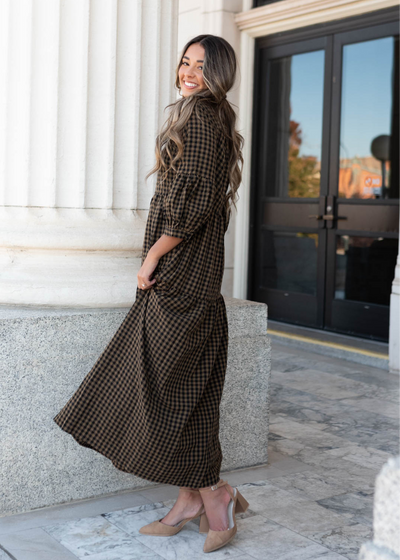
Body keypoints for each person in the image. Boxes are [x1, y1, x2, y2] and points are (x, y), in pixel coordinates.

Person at [53, 34, 246, 554]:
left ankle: (214, 494)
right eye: (185, 62)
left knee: (165, 394)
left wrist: (153, 256)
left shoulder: (203, 118)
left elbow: (197, 203)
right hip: (184, 281)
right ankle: (192, 498)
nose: (188, 71)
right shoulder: (201, 115)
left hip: (180, 280)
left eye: (201, 65)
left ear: (220, 72)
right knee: (182, 393)